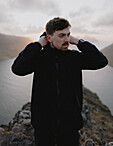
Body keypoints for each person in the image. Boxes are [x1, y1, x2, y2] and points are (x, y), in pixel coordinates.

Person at [11, 17, 108, 146]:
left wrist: (79, 42)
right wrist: (37, 44)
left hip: (70, 126)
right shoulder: (39, 58)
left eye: (68, 35)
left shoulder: (74, 58)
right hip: (43, 126)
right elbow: (17, 68)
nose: (67, 39)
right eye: (61, 35)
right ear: (49, 38)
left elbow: (101, 61)